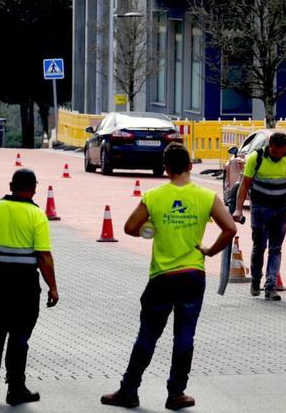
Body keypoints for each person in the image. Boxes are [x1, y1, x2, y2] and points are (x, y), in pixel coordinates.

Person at [102, 143, 237, 411]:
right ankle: (176, 394)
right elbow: (230, 228)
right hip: (192, 275)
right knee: (185, 336)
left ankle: (129, 390)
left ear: (165, 169)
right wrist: (210, 251)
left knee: (148, 335)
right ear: (189, 166)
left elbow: (130, 227)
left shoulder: (154, 196)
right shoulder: (206, 197)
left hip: (162, 277)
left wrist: (150, 228)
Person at [0, 168, 59, 405]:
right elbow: (43, 256)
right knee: (19, 335)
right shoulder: (37, 215)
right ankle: (16, 388)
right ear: (34, 189)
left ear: (10, 185)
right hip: (24, 284)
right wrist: (53, 287)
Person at [232, 132, 286, 301]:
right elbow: (244, 186)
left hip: (280, 210)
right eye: (275, 152)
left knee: (275, 248)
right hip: (259, 209)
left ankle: (271, 286)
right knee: (259, 246)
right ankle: (256, 280)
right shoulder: (255, 158)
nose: (278, 156)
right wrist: (238, 209)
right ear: (269, 146)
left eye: (281, 152)